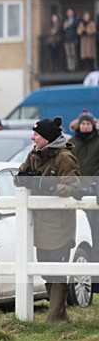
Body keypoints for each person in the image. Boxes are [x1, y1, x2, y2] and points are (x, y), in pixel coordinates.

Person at [15, 117, 80, 322]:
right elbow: (20, 176)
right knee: (45, 271)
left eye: (37, 135)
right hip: (39, 224)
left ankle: (53, 318)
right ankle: (62, 317)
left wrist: (48, 186)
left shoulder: (64, 157)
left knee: (57, 272)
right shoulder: (33, 155)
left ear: (48, 138)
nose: (33, 137)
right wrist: (23, 178)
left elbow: (73, 186)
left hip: (60, 225)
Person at [68, 110, 99, 294]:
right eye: (83, 123)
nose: (85, 126)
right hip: (76, 192)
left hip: (94, 192)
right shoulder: (73, 142)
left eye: (88, 123)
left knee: (95, 235)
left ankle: (95, 278)